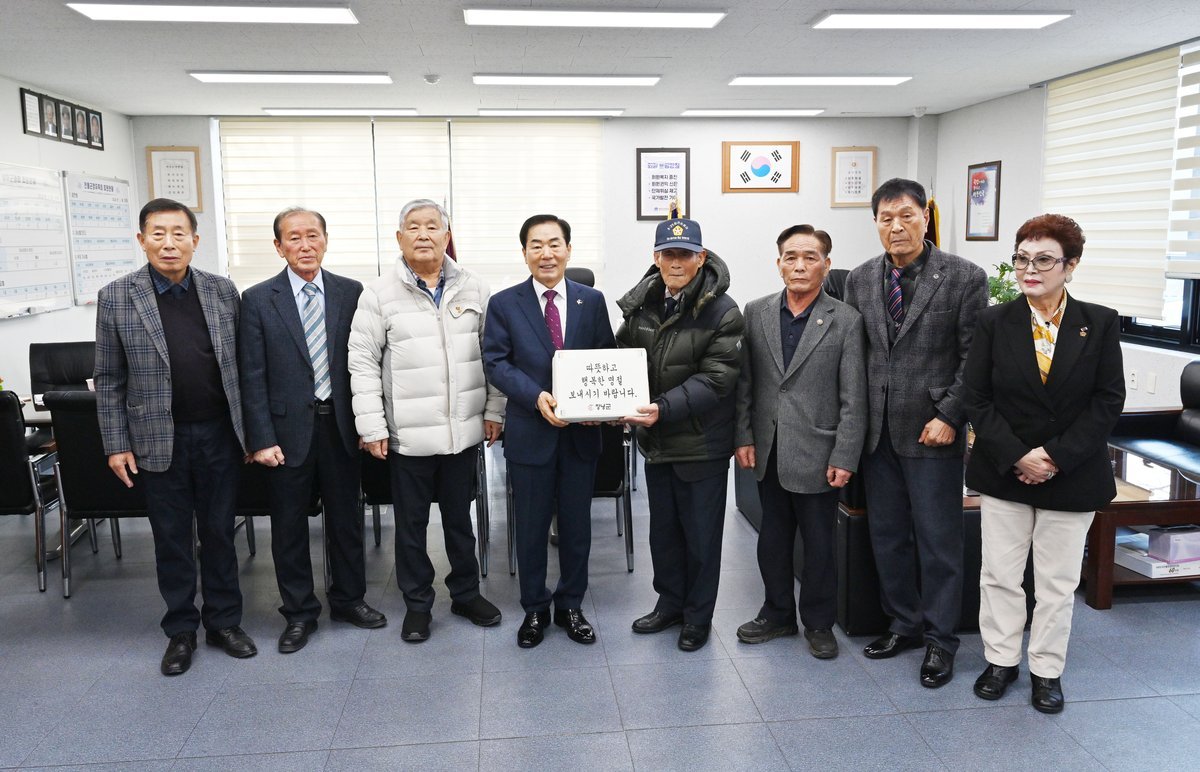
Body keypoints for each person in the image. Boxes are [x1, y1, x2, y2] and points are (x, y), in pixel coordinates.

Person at [964, 214, 1124, 713]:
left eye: (1044, 260)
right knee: (1000, 574)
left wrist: (1055, 456)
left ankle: (1046, 671)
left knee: (1056, 582)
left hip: (1071, 472)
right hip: (1006, 469)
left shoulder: (1099, 322)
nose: (1029, 269)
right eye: (1022, 259)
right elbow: (975, 397)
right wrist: (1018, 454)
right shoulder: (994, 321)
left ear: (1070, 266)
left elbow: (1107, 400)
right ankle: (1001, 661)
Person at [95, 198, 256, 676]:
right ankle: (181, 630)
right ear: (142, 239)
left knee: (219, 533)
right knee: (172, 538)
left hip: (219, 435)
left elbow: (242, 366)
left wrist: (252, 433)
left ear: (194, 240)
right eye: (158, 233)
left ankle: (224, 622)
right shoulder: (117, 296)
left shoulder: (222, 290)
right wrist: (115, 444)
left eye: (179, 233)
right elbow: (108, 377)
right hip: (156, 438)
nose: (169, 243)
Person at [842, 178, 987, 688]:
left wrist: (949, 416)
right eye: (886, 218)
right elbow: (855, 355)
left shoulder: (964, 277)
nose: (896, 226)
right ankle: (903, 623)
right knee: (888, 537)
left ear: (925, 216)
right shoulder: (859, 279)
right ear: (876, 223)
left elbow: (975, 359)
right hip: (877, 432)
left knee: (939, 541)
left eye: (906, 215)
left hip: (932, 432)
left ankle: (941, 640)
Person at [349, 199, 504, 643]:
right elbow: (362, 362)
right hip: (408, 434)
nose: (423, 234)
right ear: (399, 238)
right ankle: (417, 605)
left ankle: (466, 594)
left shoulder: (475, 288)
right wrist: (372, 426)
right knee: (411, 526)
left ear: (446, 236)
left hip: (461, 431)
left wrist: (494, 411)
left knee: (460, 520)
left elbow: (493, 356)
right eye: (413, 227)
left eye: (432, 226)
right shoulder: (378, 294)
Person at [239, 207, 386, 654]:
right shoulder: (258, 299)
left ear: (325, 239)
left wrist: (366, 421)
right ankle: (299, 613)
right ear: (278, 246)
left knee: (347, 520)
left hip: (340, 425)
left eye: (312, 236)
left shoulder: (350, 291)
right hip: (285, 432)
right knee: (288, 526)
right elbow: (252, 374)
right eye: (294, 238)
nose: (305, 245)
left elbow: (366, 362)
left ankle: (349, 600)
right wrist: (261, 438)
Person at [482, 213, 615, 649]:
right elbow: (496, 362)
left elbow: (606, 357)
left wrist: (600, 406)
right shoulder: (504, 303)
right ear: (524, 253)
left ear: (569, 250)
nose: (546, 253)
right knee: (531, 527)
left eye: (554, 244)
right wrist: (535, 396)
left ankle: (571, 605)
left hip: (580, 437)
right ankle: (535, 609)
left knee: (577, 527)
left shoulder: (591, 300)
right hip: (530, 432)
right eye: (536, 245)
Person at [733, 224, 867, 658]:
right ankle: (776, 614)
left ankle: (819, 623)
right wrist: (744, 436)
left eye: (810, 257)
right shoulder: (756, 311)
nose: (799, 265)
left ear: (826, 265)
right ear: (778, 264)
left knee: (819, 544)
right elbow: (746, 383)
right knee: (772, 538)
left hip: (819, 451)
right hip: (768, 448)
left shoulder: (846, 320)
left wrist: (845, 454)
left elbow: (854, 397)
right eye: (791, 257)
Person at [617, 216, 744, 652]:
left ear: (701, 258)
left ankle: (697, 617)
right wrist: (611, 400)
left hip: (701, 443)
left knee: (702, 537)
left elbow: (716, 378)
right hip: (656, 442)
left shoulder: (722, 311)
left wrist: (661, 409)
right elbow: (621, 356)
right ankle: (669, 603)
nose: (676, 262)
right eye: (668, 254)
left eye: (685, 254)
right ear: (656, 258)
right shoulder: (643, 304)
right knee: (665, 533)